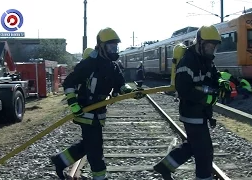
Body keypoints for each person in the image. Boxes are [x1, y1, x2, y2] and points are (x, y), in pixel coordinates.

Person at [50, 27, 145, 180]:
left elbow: (121, 84)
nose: (114, 50)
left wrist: (129, 91)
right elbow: (69, 83)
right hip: (85, 112)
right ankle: (100, 177)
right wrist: (74, 104)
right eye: (111, 47)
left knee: (89, 144)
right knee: (95, 148)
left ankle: (60, 161)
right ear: (101, 46)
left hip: (99, 112)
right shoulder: (89, 64)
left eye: (116, 47)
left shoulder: (112, 66)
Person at [153, 25, 231, 180]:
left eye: (214, 46)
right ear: (200, 43)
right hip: (191, 113)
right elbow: (184, 90)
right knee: (204, 150)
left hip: (201, 112)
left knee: (193, 146)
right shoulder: (188, 61)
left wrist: (221, 81)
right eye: (210, 45)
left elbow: (215, 75)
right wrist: (206, 99)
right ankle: (204, 177)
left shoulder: (206, 59)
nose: (212, 48)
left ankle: (164, 166)